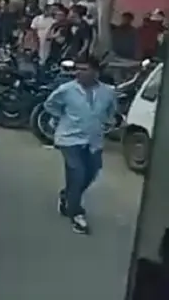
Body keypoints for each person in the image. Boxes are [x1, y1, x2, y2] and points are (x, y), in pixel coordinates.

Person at [42, 54, 117, 234]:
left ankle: (67, 196)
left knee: (91, 172)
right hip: (69, 138)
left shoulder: (108, 92)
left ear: (95, 71)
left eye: (84, 69)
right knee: (77, 172)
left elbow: (111, 112)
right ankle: (76, 213)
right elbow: (50, 105)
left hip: (93, 140)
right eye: (77, 69)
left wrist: (108, 122)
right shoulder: (66, 90)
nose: (79, 73)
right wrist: (63, 118)